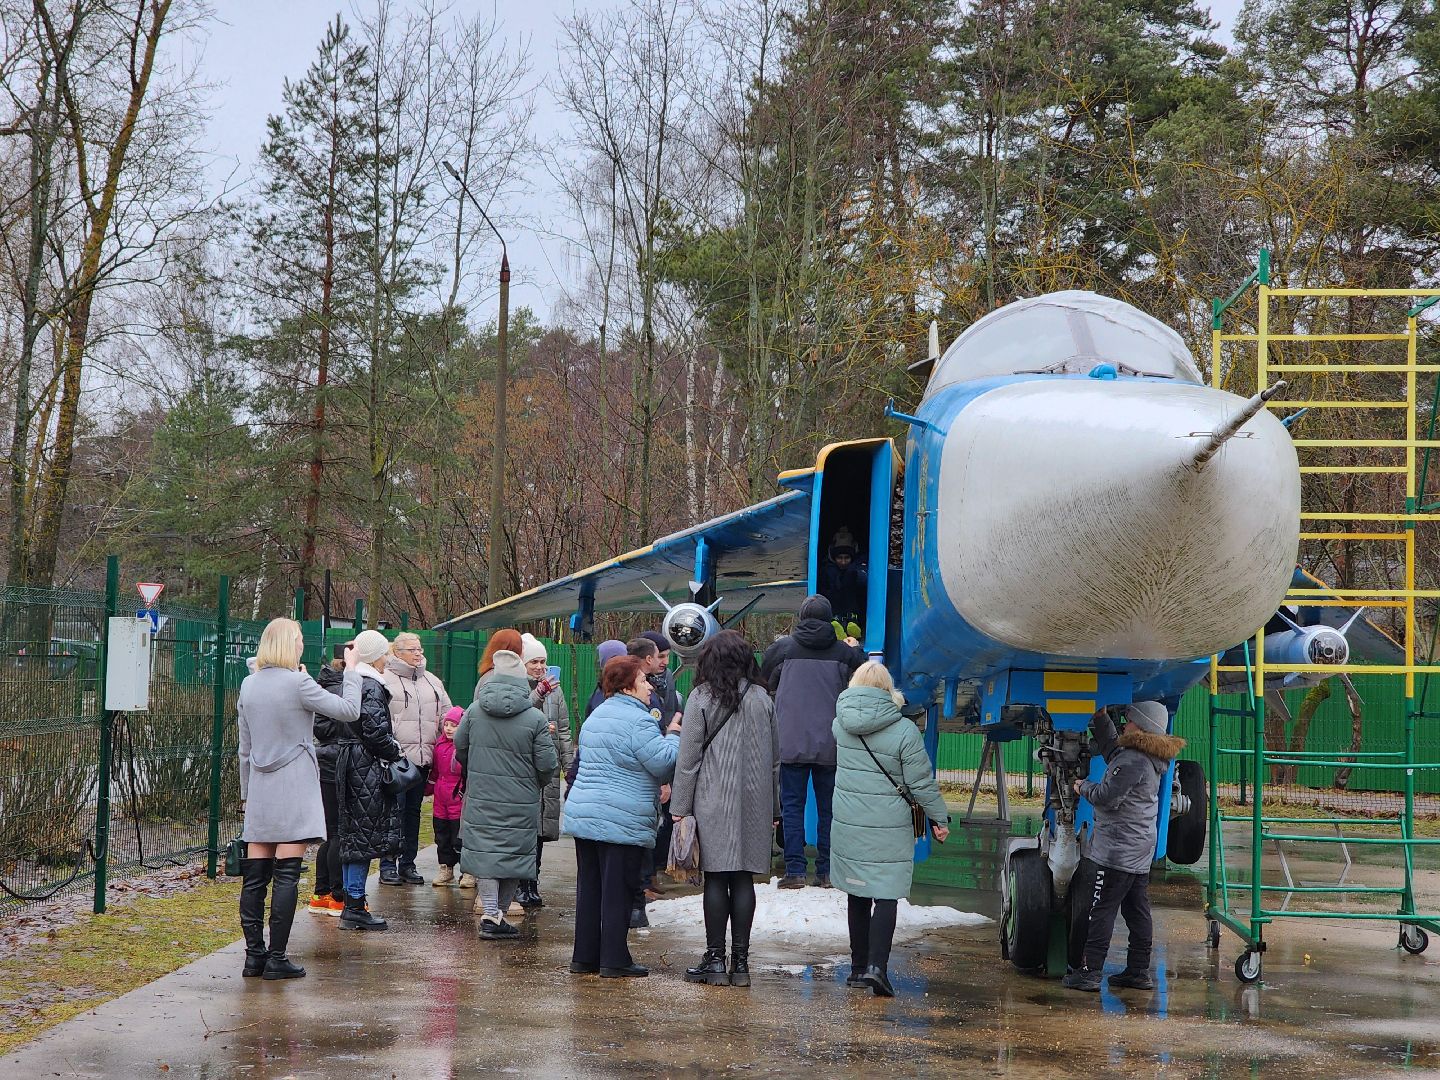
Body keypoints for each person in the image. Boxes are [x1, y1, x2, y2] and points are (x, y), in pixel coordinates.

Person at [237, 619, 362, 979]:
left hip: (260, 787)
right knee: (287, 873)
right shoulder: (300, 683)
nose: (303, 644)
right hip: (293, 786)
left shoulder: (249, 685)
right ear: (290, 644)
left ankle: (253, 956)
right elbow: (349, 711)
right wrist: (351, 672)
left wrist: (247, 795)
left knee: (255, 877)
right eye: (300, 639)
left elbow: (244, 749)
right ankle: (277, 957)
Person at [831, 661, 951, 997]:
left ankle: (857, 969)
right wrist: (939, 818)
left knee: (857, 892)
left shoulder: (840, 726)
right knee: (885, 894)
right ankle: (877, 969)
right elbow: (921, 784)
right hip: (888, 825)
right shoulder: (904, 731)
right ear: (888, 690)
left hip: (849, 823)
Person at [670, 631, 779, 988]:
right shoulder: (764, 699)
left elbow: (688, 760)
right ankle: (742, 964)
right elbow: (775, 762)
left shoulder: (701, 697)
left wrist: (681, 807)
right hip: (755, 802)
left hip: (713, 799)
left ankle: (715, 961)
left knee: (717, 878)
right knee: (744, 877)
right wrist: (774, 809)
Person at [563, 654, 681, 978]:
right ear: (628, 687)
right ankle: (614, 959)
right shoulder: (638, 720)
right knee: (618, 889)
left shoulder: (595, 716)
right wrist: (673, 734)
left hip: (586, 814)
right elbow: (661, 763)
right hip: (620, 818)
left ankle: (584, 957)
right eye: (643, 681)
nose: (649, 687)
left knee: (590, 887)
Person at [1063, 701, 1185, 993]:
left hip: (1118, 850)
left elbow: (1107, 796)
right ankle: (1138, 971)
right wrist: (1101, 718)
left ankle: (1090, 972)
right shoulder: (1147, 756)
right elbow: (1113, 752)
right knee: (1136, 910)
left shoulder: (1133, 760)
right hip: (1139, 847)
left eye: (1128, 721)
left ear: (1139, 726)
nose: (1124, 724)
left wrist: (1083, 788)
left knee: (1101, 910)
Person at [760, 594, 866, 889]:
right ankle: (827, 871)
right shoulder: (844, 654)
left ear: (802, 617)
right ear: (830, 618)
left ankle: (794, 870)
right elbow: (866, 679)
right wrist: (858, 649)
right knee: (829, 808)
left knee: (792, 807)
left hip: (790, 741)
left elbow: (764, 679)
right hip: (832, 744)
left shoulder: (783, 649)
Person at [454, 649, 559, 940]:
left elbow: (460, 747)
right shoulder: (535, 718)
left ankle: (490, 913)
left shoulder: (474, 711)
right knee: (514, 855)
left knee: (486, 853)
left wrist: (477, 768)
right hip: (521, 798)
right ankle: (497, 914)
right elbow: (548, 764)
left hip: (481, 796)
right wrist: (533, 783)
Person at [334, 629, 406, 932]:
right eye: (385, 654)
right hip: (366, 767)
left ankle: (352, 901)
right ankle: (355, 904)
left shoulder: (352, 683)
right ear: (375, 655)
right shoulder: (372, 687)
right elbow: (375, 731)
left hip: (349, 763)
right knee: (363, 837)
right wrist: (395, 750)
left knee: (353, 835)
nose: (387, 659)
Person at [380, 633, 453, 886]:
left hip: (423, 761)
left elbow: (447, 715)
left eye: (420, 649)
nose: (418, 653)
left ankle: (407, 864)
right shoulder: (386, 680)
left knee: (413, 814)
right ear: (397, 652)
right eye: (412, 649)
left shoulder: (432, 682)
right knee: (392, 813)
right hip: (396, 761)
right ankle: (387, 864)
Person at [627, 632, 684, 918]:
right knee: (646, 826)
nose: (664, 663)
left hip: (662, 760)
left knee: (659, 824)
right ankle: (641, 885)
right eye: (660, 657)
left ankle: (649, 877)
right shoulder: (634, 692)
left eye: (666, 657)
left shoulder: (667, 681)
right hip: (653, 761)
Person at [520, 633, 573, 909]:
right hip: (525, 766)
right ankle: (520, 882)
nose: (540, 667)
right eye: (534, 662)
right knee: (525, 827)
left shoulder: (555, 689)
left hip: (547, 766)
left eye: (543, 661)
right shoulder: (517, 687)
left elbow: (563, 729)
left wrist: (569, 767)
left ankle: (533, 882)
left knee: (541, 828)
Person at [309, 655, 355, 917]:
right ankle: (338, 896)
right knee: (340, 832)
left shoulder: (319, 689)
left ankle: (320, 893)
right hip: (340, 762)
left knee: (329, 832)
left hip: (323, 762)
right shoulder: (342, 692)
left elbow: (320, 730)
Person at [431, 705, 467, 886]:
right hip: (440, 798)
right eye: (447, 725)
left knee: (459, 836)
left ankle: (468, 871)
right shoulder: (439, 744)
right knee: (442, 835)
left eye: (454, 725)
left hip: (458, 797)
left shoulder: (464, 747)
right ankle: (445, 867)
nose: (449, 729)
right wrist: (430, 787)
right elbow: (435, 771)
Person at [818, 527, 868, 630]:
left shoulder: (857, 567)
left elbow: (863, 583)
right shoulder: (827, 570)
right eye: (840, 558)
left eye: (847, 558)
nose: (843, 562)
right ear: (834, 558)